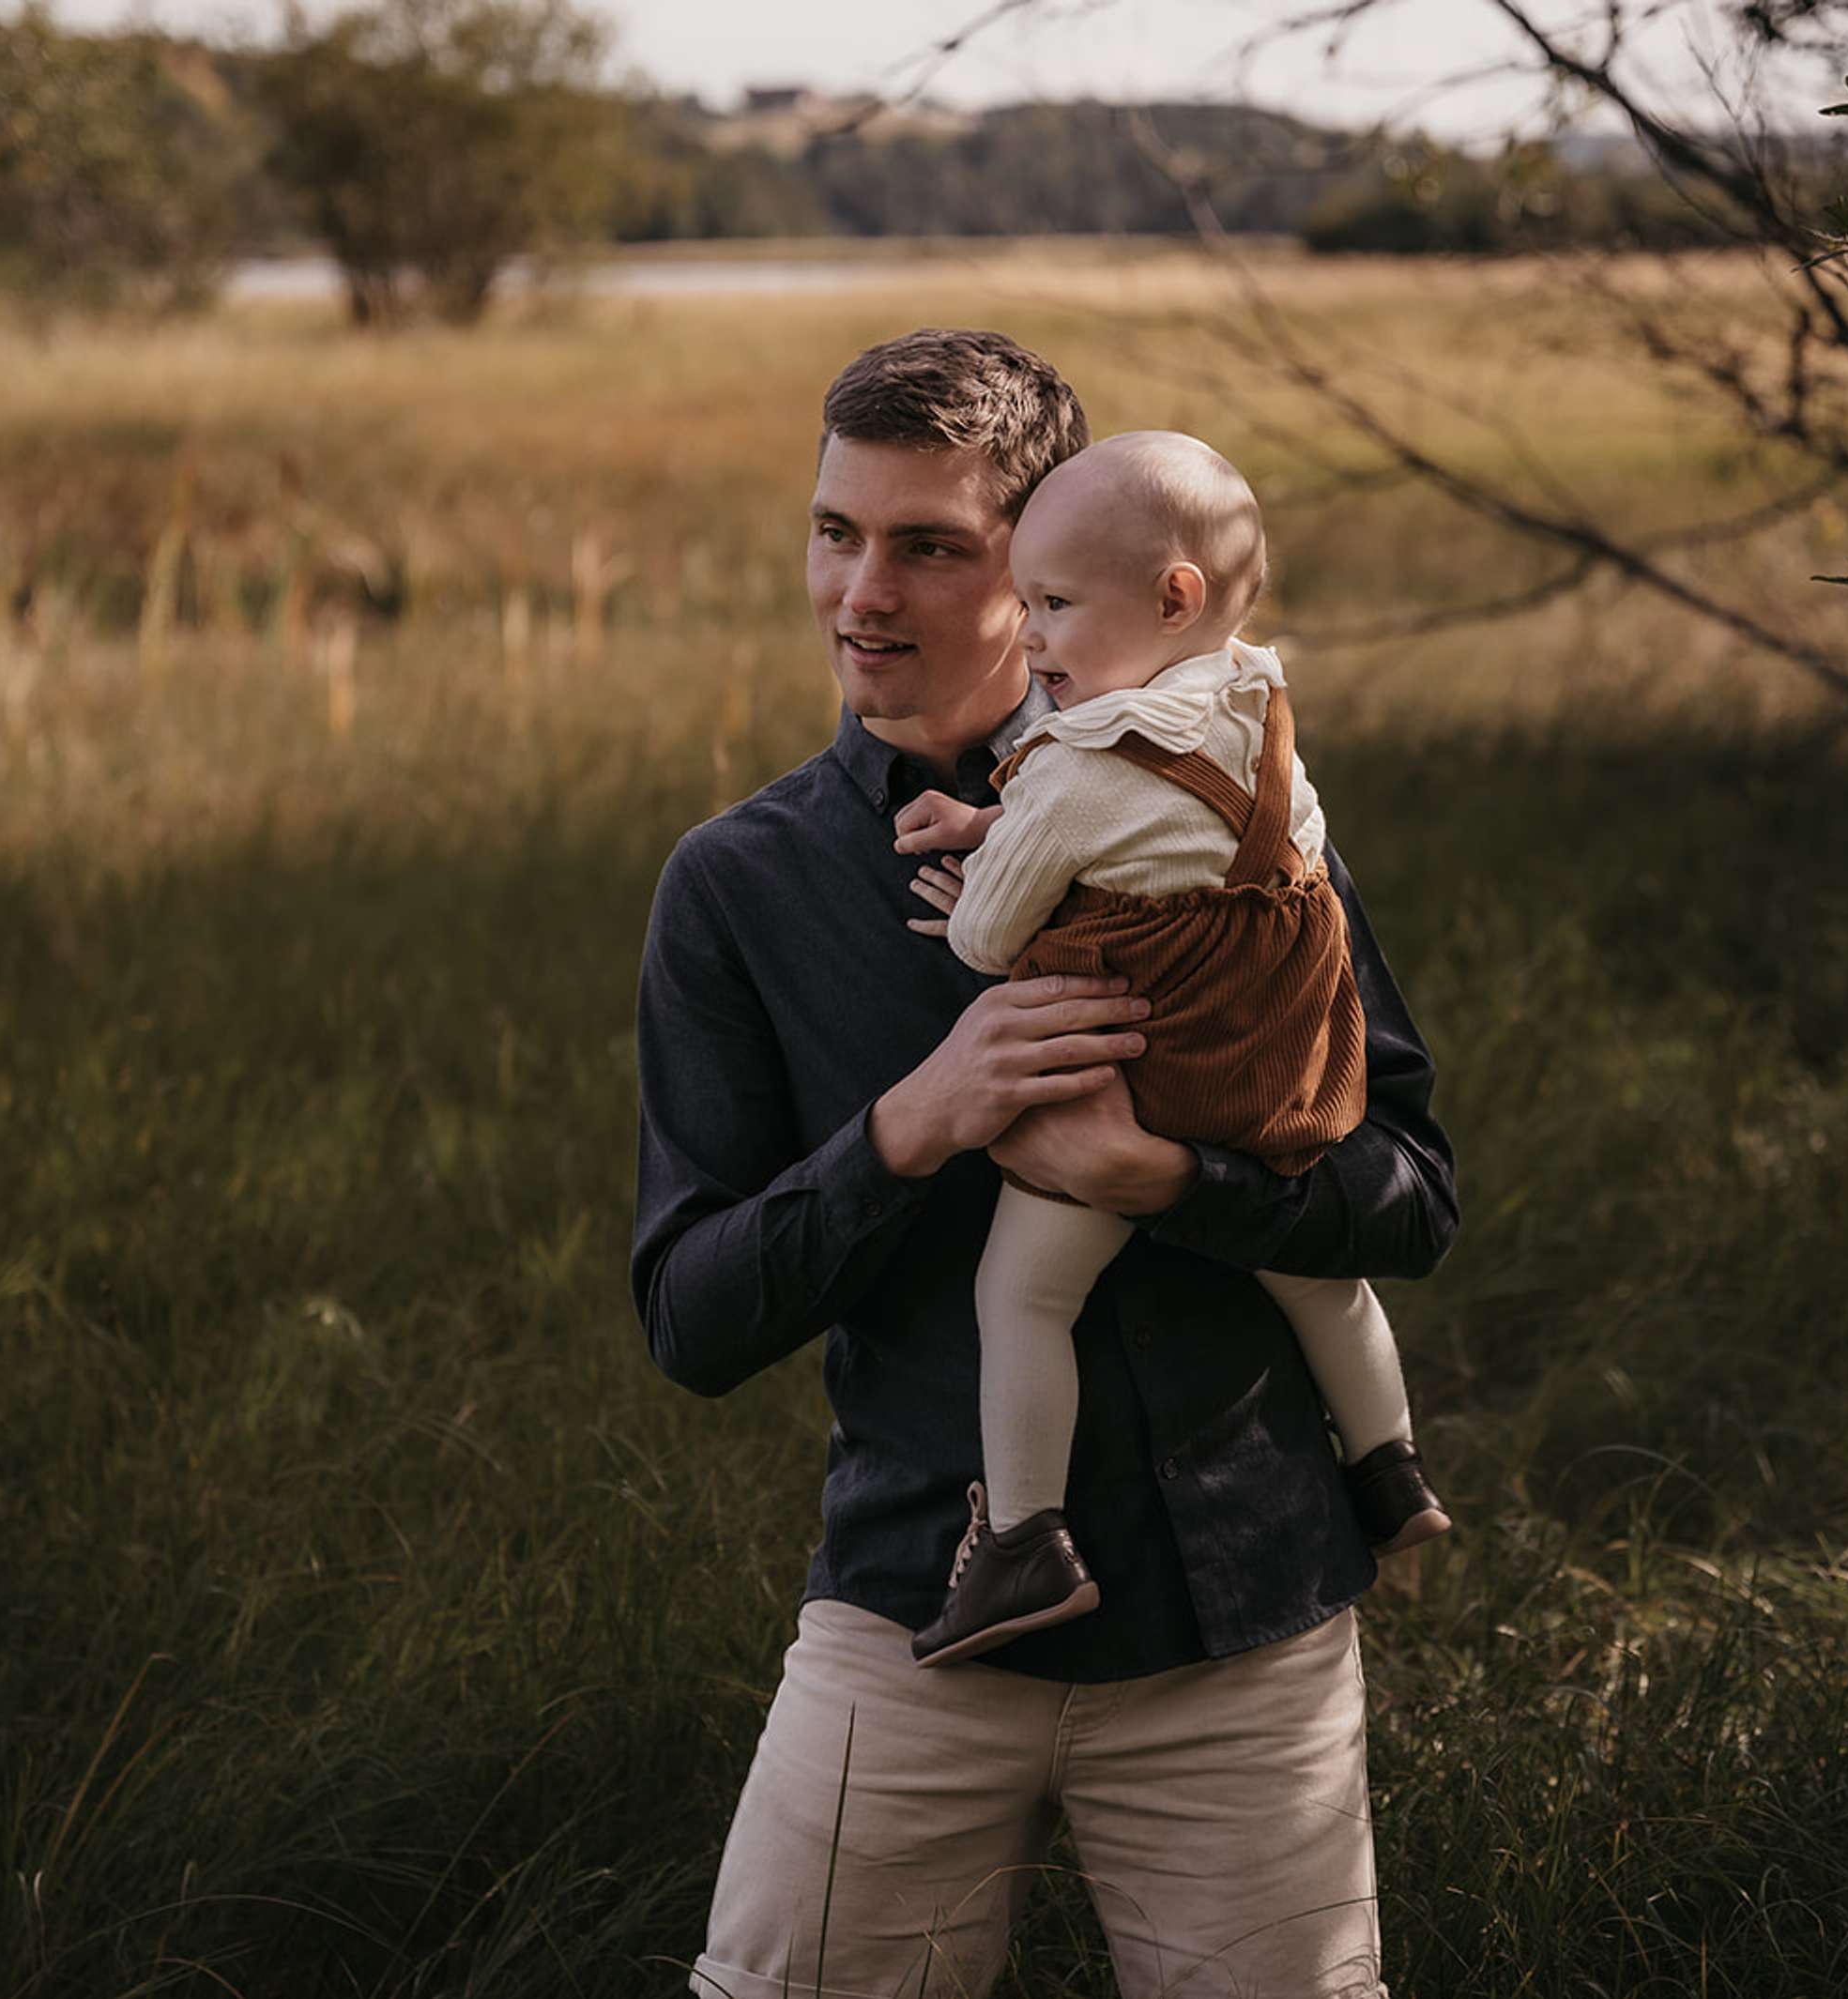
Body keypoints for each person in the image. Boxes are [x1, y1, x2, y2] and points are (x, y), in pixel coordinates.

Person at [631, 327, 1456, 1999]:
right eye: (833, 532)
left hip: (1240, 1631)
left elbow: (1414, 1194)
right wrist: (906, 1129)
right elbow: (693, 1317)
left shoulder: (1247, 820)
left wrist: (1177, 1181)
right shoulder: (736, 887)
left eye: (929, 545)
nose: (863, 592)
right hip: (911, 1629)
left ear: (1053, 571)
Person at [890, 430, 1450, 1670]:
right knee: (1318, 1278)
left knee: (1026, 1289)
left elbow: (990, 936)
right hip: (1287, 1065)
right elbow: (1174, 837)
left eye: (1052, 604)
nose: (1028, 636)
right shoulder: (1254, 703)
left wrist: (979, 873)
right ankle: (1390, 1461)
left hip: (1156, 1082)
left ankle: (1028, 1539)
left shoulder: (1078, 778)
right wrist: (1008, 815)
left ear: (1173, 596)